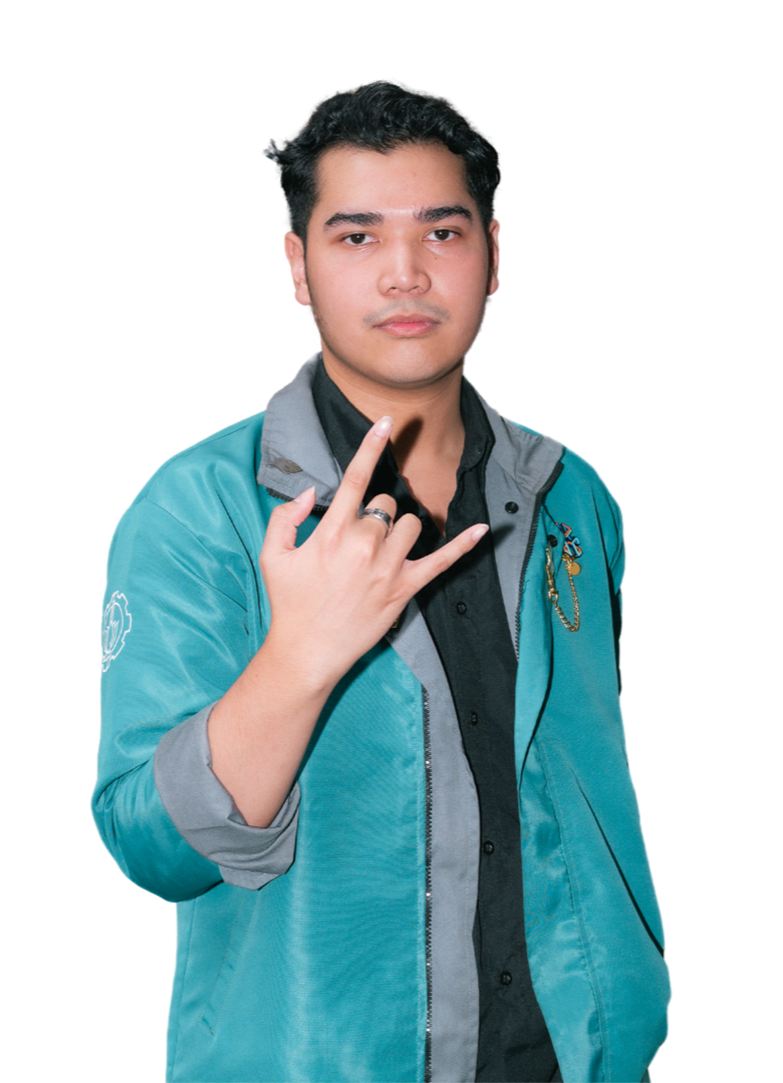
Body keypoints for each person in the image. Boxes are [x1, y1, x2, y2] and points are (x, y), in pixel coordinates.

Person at [93, 79, 670, 1082]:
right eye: (357, 237)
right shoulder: (198, 508)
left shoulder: (570, 493)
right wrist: (297, 662)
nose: (405, 273)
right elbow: (150, 848)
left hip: (584, 1059)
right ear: (298, 267)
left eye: (442, 233)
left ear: (494, 254)